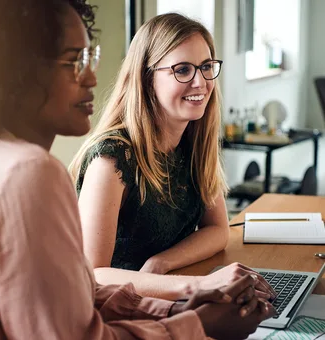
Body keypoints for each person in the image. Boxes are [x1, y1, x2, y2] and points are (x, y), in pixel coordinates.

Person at [0, 0, 275, 339]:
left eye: (207, 66)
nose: (92, 76)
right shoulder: (40, 170)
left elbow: (81, 295)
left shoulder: (195, 139)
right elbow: (88, 292)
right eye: (73, 61)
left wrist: (176, 302)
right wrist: (194, 314)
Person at [69, 12, 276, 301]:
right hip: (118, 311)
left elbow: (218, 230)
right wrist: (198, 286)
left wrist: (162, 263)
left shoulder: (194, 139)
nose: (200, 82)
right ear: (146, 77)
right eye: (182, 70)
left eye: (206, 67)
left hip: (166, 297)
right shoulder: (112, 157)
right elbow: (93, 273)